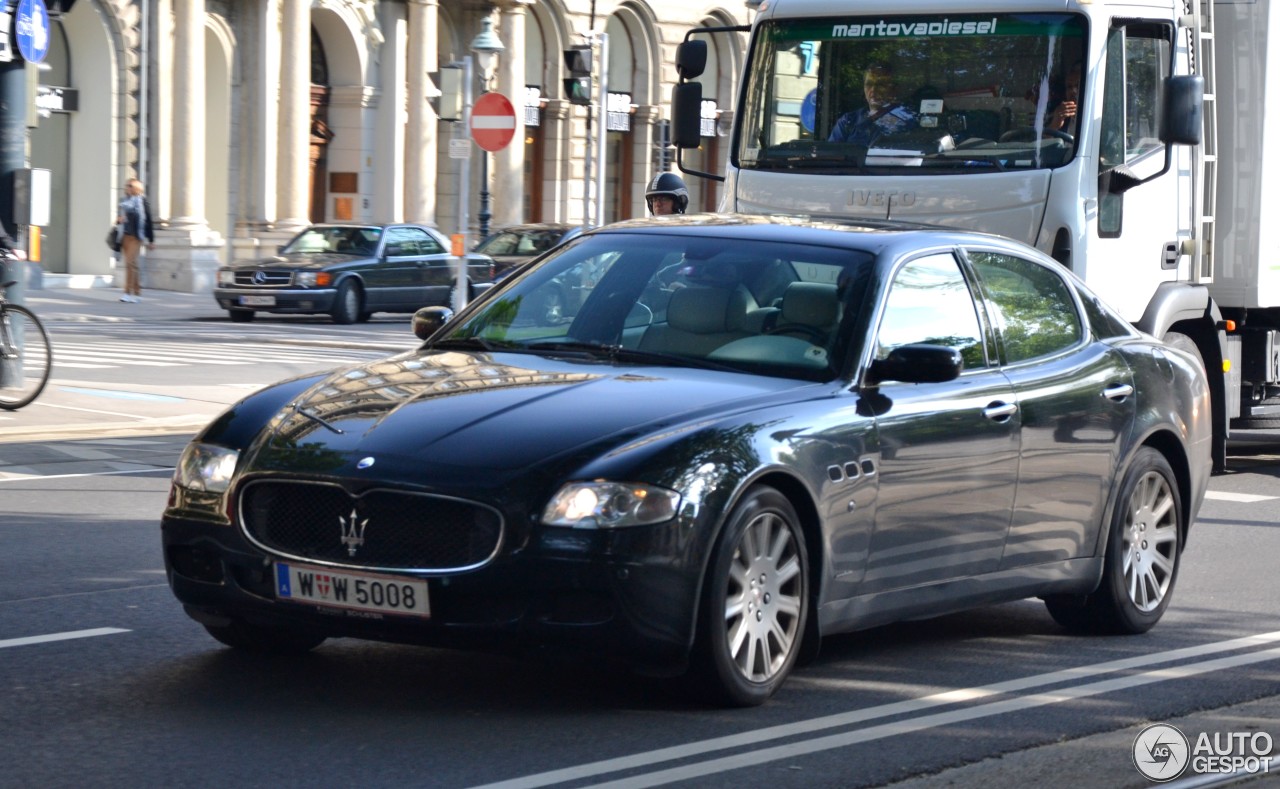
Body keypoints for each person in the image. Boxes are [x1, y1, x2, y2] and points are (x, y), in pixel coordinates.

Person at [828, 64, 919, 145]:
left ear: (893, 89)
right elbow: (831, 157)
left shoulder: (906, 120)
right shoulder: (848, 121)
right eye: (869, 84)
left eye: (881, 85)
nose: (873, 90)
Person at [115, 178, 154, 303]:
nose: (127, 187)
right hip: (125, 236)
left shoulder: (142, 202)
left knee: (130, 263)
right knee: (132, 265)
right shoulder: (124, 202)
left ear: (136, 187)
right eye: (126, 185)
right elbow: (118, 219)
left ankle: (127, 292)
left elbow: (148, 221)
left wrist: (151, 240)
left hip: (136, 237)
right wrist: (119, 220)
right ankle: (137, 293)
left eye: (130, 185)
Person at [1047, 61, 1082, 135]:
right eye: (1069, 87)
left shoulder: (1097, 120)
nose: (1073, 91)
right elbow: (1041, 144)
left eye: (1078, 86)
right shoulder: (1059, 116)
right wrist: (1054, 126)